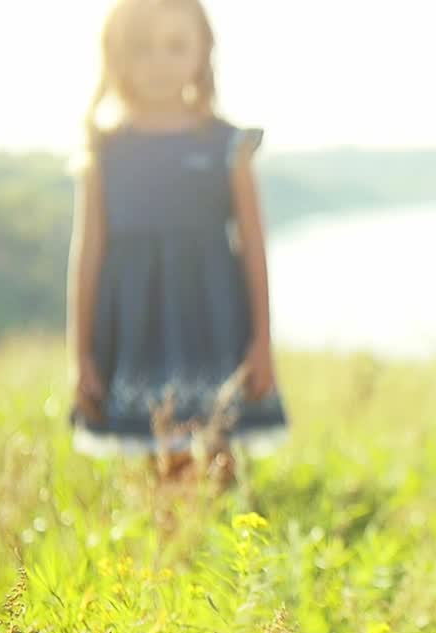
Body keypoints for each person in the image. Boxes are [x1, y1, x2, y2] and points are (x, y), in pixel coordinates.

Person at [68, 0, 286, 478]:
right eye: (142, 49)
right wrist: (80, 354)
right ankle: (170, 548)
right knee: (159, 469)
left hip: (212, 326)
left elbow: (254, 248)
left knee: (217, 461)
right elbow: (87, 255)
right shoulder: (104, 149)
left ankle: (216, 546)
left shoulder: (228, 145)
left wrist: (262, 342)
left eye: (175, 47)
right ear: (116, 55)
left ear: (202, 51)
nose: (159, 63)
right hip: (134, 330)